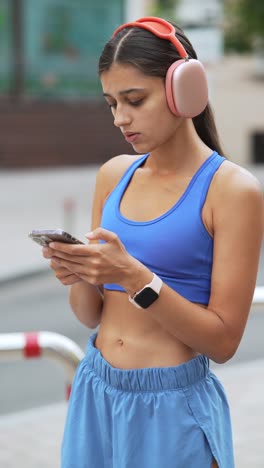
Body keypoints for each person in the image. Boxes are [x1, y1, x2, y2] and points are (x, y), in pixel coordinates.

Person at [42, 17, 263, 468]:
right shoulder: (113, 175)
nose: (121, 118)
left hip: (173, 408)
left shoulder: (232, 190)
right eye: (111, 103)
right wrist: (76, 274)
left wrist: (135, 276)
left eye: (134, 100)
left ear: (185, 90)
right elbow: (91, 315)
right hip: (95, 391)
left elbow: (222, 343)